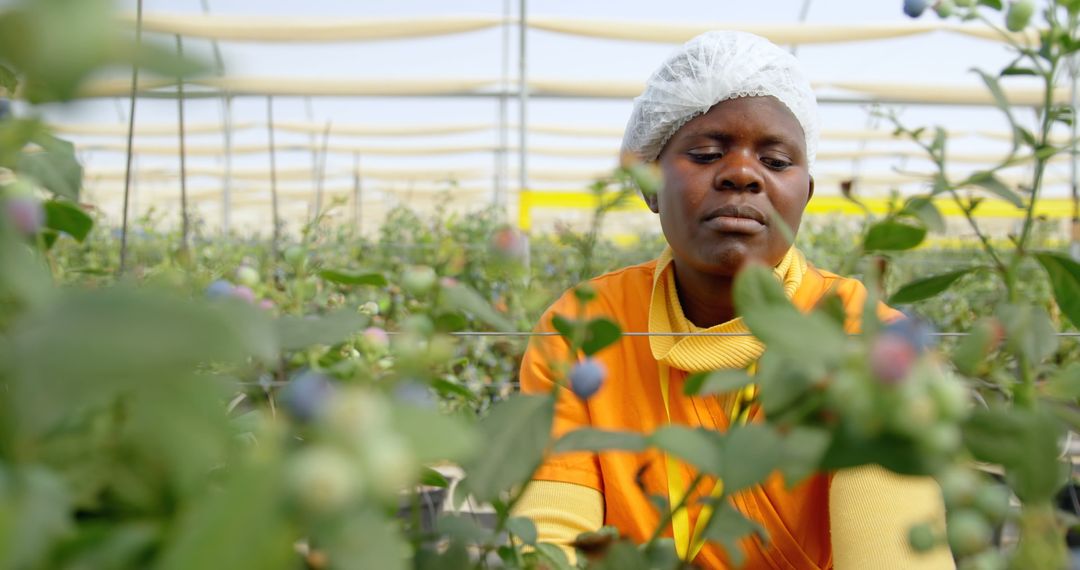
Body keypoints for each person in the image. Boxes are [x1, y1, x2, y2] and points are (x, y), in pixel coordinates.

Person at [513, 31, 954, 569]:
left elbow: (891, 556)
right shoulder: (585, 325)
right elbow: (550, 543)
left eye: (775, 160)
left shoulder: (873, 345)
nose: (743, 174)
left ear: (805, 196)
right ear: (649, 184)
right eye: (706, 153)